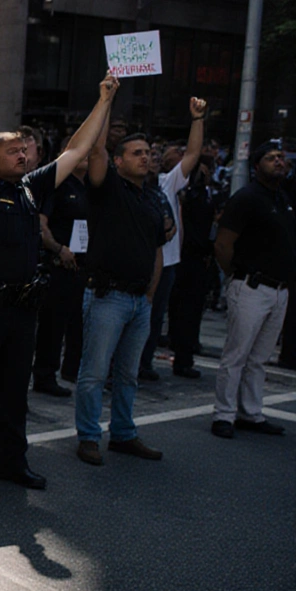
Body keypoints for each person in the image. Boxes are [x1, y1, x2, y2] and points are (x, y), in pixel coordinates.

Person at [0, 64, 115, 494]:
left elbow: (76, 150)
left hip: (21, 314)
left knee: (15, 397)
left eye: (25, 149)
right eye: (13, 150)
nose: (23, 154)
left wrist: (104, 99)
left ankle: (12, 465)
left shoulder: (32, 188)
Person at [74, 112, 170, 467]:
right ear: (118, 161)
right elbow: (96, 149)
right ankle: (88, 437)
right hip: (107, 296)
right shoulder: (109, 188)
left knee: (128, 375)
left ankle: (124, 434)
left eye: (148, 152)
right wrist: (107, 98)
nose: (145, 157)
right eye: (136, 153)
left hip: (139, 301)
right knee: (95, 373)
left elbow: (157, 250)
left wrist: (149, 294)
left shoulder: (152, 199)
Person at [210, 141, 293, 439]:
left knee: (259, 358)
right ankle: (224, 414)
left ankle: (250, 412)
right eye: (271, 158)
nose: (279, 162)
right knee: (237, 355)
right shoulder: (246, 198)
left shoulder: (283, 198)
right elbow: (222, 244)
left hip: (279, 289)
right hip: (250, 285)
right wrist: (234, 276)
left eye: (282, 158)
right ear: (257, 167)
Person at [138, 100, 207, 381]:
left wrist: (197, 120)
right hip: (137, 261)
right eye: (143, 155)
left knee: (155, 317)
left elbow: (192, 154)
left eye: (153, 155)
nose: (149, 159)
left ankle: (144, 363)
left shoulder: (168, 182)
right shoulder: (126, 188)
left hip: (166, 263)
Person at [33, 138, 89, 393]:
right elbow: (41, 223)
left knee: (78, 321)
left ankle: (71, 369)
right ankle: (45, 375)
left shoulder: (91, 186)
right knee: (52, 324)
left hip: (82, 264)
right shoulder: (57, 185)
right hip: (58, 264)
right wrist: (57, 248)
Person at [169, 143, 219, 377]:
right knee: (184, 309)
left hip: (199, 257)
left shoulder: (207, 195)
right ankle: (182, 355)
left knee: (191, 308)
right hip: (188, 256)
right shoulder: (190, 195)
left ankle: (185, 351)